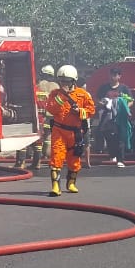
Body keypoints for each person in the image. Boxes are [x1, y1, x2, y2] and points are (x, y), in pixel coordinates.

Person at [45, 64, 96, 196]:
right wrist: (62, 97)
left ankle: (71, 183)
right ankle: (55, 186)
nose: (64, 84)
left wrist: (80, 111)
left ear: (73, 81)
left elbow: (91, 111)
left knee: (74, 159)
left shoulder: (83, 95)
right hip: (59, 131)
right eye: (61, 81)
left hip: (75, 132)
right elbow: (51, 109)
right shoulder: (55, 94)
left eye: (66, 81)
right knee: (57, 157)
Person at [19, 65, 59, 170]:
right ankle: (45, 161)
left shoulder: (37, 86)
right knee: (47, 139)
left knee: (28, 139)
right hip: (51, 118)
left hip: (38, 117)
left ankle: (22, 162)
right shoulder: (56, 87)